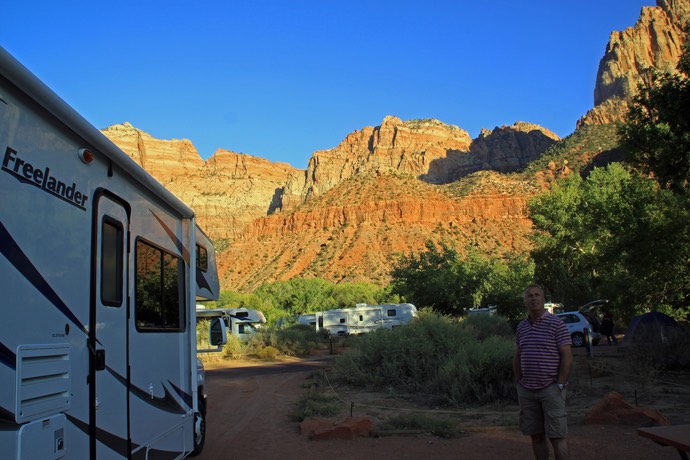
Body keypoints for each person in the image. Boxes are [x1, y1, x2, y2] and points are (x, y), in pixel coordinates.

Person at [513, 285, 573, 460]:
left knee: (557, 436)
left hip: (551, 388)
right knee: (536, 435)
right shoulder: (522, 327)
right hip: (527, 390)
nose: (533, 298)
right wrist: (519, 383)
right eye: (529, 296)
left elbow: (567, 357)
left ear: (543, 299)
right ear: (525, 301)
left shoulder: (556, 324)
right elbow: (517, 356)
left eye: (537, 295)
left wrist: (560, 384)